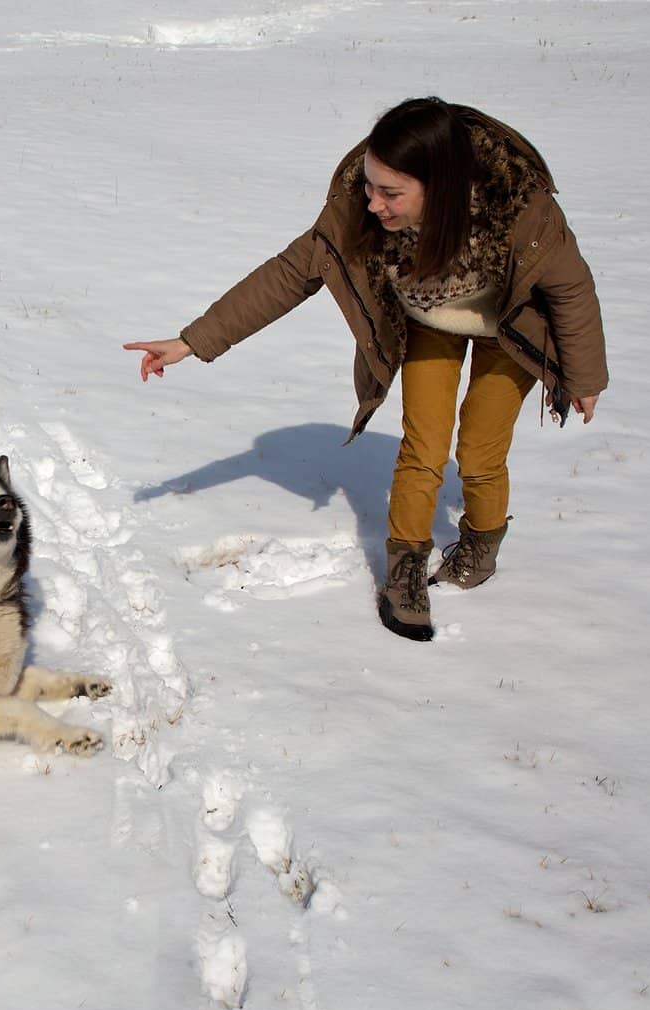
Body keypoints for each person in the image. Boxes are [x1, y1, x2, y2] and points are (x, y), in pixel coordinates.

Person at [125, 97, 606, 642]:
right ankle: (406, 567)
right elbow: (289, 274)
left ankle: (481, 541)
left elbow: (571, 289)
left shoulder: (522, 210)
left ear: (442, 188)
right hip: (429, 320)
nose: (372, 202)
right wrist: (192, 341)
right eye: (370, 185)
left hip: (508, 330)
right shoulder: (361, 208)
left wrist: (585, 379)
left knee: (479, 450)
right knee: (423, 447)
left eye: (390, 193)